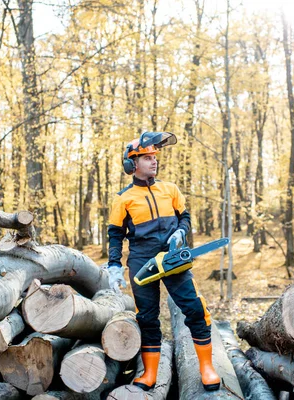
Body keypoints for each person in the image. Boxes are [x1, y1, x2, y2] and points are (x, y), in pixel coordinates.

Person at [107, 132, 221, 392]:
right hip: (141, 258)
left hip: (172, 257)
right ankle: (149, 373)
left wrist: (181, 232)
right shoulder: (123, 198)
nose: (153, 162)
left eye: (154, 157)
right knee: (147, 317)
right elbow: (115, 234)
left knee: (194, 308)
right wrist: (114, 264)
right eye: (147, 158)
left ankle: (207, 367)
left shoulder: (170, 189)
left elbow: (185, 217)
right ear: (132, 164)